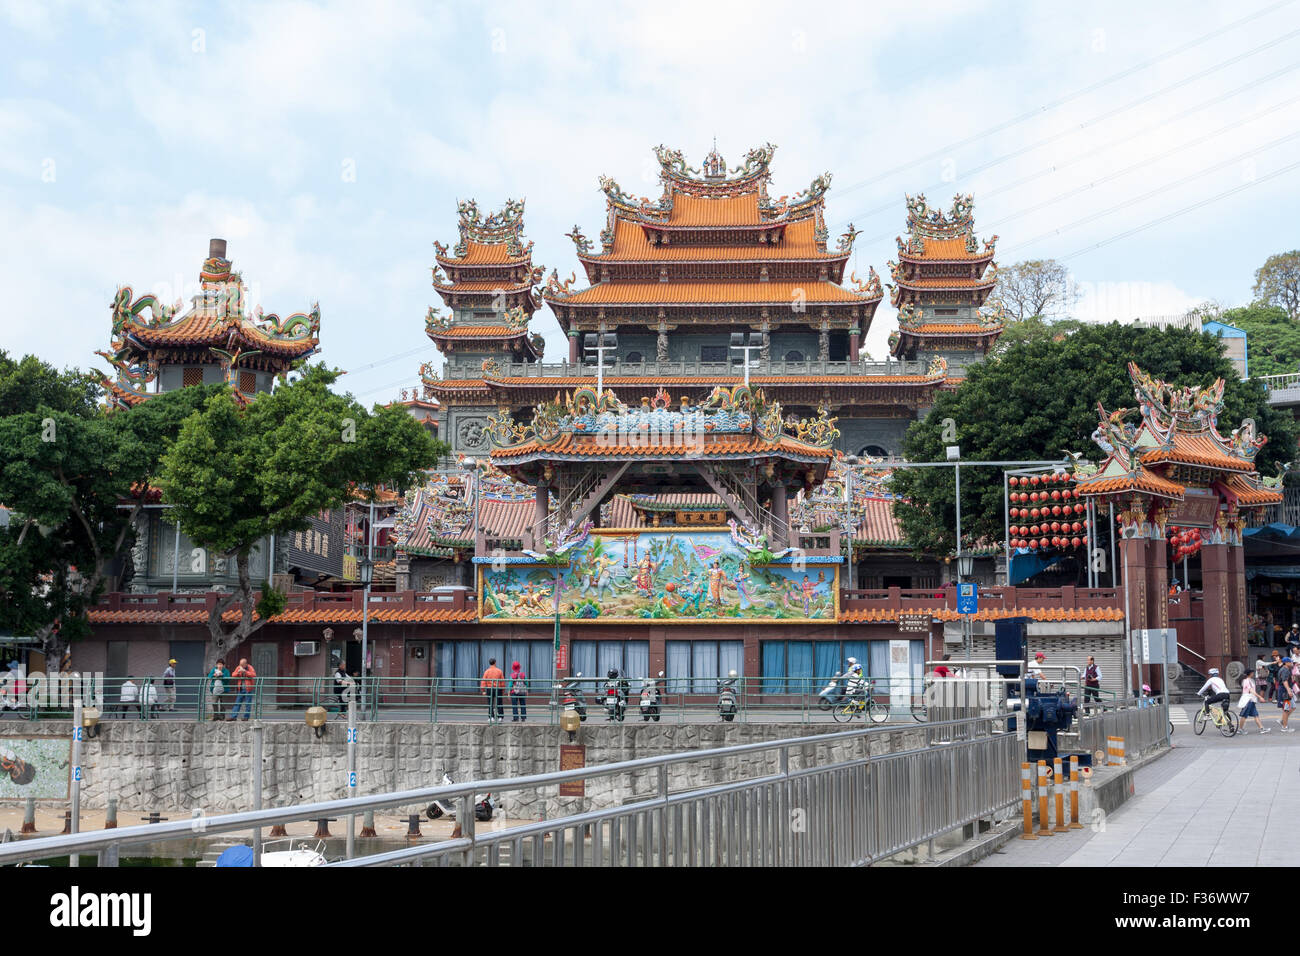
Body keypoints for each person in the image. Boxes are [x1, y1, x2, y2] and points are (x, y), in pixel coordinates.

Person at [1237, 669, 1269, 735]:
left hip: (1251, 700)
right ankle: (1240, 729)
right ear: (1250, 673)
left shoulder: (1250, 680)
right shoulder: (1246, 681)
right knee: (1244, 716)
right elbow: (1251, 691)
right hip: (1248, 700)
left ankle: (1261, 728)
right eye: (1252, 673)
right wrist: (1260, 697)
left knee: (1255, 715)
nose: (1253, 674)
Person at [481, 658, 505, 724]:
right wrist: (503, 690)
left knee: (490, 703)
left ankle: (491, 717)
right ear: (495, 662)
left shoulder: (487, 671)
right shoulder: (499, 671)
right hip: (498, 688)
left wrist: (483, 690)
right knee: (499, 702)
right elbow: (502, 681)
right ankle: (500, 717)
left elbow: (483, 681)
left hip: (489, 688)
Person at [1277, 658, 1297, 733]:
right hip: (1285, 691)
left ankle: (1282, 720)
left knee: (1293, 707)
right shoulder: (1285, 670)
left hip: (1286, 690)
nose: (1292, 663)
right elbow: (1284, 681)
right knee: (1286, 709)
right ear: (1286, 663)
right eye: (1290, 662)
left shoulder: (1286, 669)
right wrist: (1289, 691)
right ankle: (1284, 727)